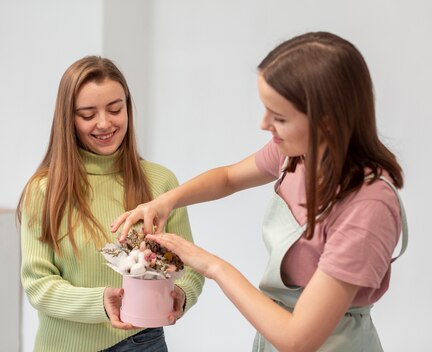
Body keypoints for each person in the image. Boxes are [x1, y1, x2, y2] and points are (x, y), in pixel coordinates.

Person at [112, 31, 408, 351]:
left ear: (327, 123)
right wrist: (165, 202)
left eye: (279, 116)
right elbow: (228, 178)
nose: (264, 124)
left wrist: (212, 265)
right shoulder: (296, 155)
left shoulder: (369, 207)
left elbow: (297, 339)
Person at [18, 56, 204, 352]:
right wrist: (100, 302)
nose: (104, 123)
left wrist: (182, 294)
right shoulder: (44, 190)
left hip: (143, 342)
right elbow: (38, 285)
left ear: (128, 108)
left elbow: (191, 264)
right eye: (87, 114)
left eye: (115, 109)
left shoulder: (161, 183)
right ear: (68, 119)